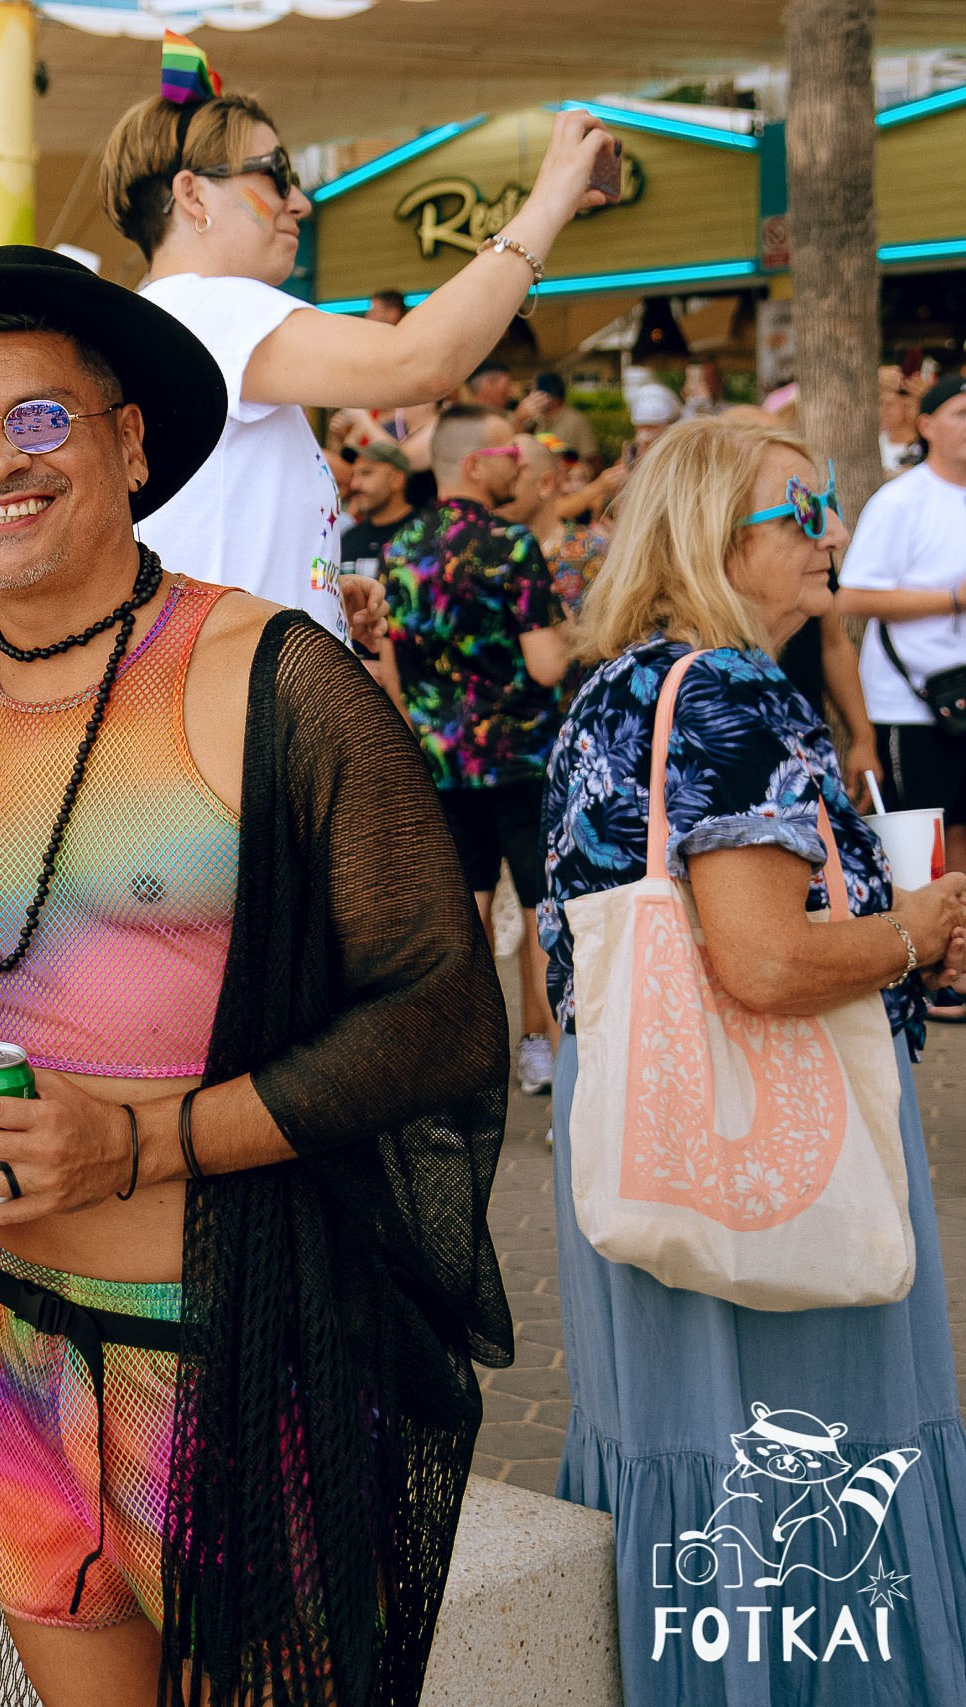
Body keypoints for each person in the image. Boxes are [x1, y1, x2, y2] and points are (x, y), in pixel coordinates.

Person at [0, 246, 509, 1707]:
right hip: (11, 1348)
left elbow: (439, 1010)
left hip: (240, 1356)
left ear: (130, 442)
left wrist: (137, 1138)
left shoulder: (274, 675)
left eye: (40, 418)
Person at [536, 414, 966, 1704]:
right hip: (773, 1141)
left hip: (643, 1125)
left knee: (687, 1452)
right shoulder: (730, 690)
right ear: (716, 535)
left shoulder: (617, 684)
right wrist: (914, 930)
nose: (833, 527)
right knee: (807, 1467)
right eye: (804, 507)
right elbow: (766, 964)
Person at [98, 45, 616, 638]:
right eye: (277, 173)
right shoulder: (213, 308)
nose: (300, 201)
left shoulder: (174, 315)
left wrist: (312, 595)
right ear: (192, 196)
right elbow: (419, 361)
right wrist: (549, 199)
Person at [379, 407, 569, 1096]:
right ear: (472, 464)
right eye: (506, 451)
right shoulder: (512, 544)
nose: (521, 460)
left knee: (467, 910)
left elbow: (394, 667)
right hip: (524, 758)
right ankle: (554, 1056)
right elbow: (546, 664)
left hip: (442, 758)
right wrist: (580, 634)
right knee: (551, 910)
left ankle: (467, 1068)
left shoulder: (401, 547)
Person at [838, 372, 966, 1018]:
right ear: (926, 425)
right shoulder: (901, 501)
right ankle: (928, 969)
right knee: (924, 841)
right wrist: (950, 598)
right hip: (911, 703)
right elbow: (851, 594)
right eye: (962, 412)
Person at [337, 439, 416, 571]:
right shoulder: (347, 539)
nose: (354, 485)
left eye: (366, 473)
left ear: (397, 479)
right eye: (353, 475)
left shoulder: (425, 534)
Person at [515, 370, 600, 463]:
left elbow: (592, 458)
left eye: (536, 392)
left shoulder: (575, 421)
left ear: (550, 395)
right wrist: (519, 418)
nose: (532, 396)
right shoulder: (537, 420)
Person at [881, 365, 928, 473]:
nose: (883, 410)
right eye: (880, 403)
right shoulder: (872, 440)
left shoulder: (926, 446)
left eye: (889, 404)